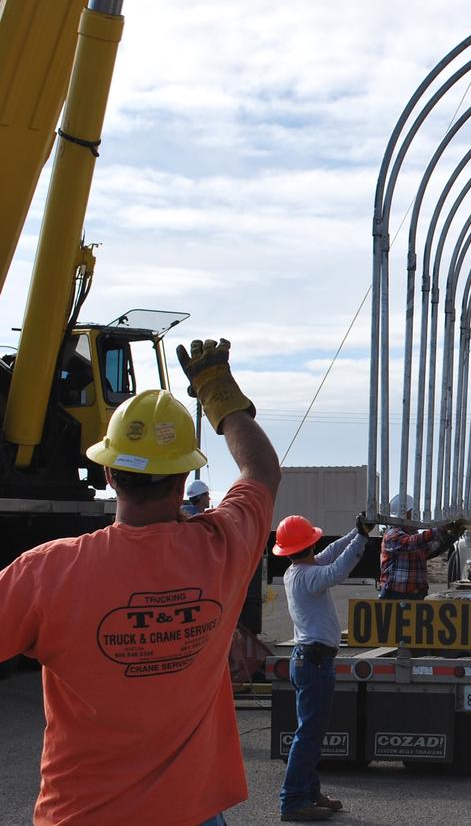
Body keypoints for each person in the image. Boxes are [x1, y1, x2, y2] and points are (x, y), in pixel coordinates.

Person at [0, 338, 279, 826]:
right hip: (189, 813)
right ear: (182, 480)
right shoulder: (221, 548)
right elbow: (261, 471)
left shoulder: (46, 572)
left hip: (80, 815)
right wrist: (219, 393)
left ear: (109, 473)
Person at [276, 513, 371, 821]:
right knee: (309, 735)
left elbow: (329, 555)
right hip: (315, 661)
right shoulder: (309, 576)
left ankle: (307, 792)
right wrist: (361, 538)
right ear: (309, 542)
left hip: (308, 660)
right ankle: (293, 801)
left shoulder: (296, 571)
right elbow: (337, 568)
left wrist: (355, 531)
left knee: (310, 733)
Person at [377, 494, 464, 600]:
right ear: (405, 513)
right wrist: (439, 528)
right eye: (413, 510)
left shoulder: (411, 533)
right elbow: (411, 543)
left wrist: (451, 536)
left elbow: (430, 550)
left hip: (415, 594)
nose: (416, 513)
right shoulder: (392, 534)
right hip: (395, 595)